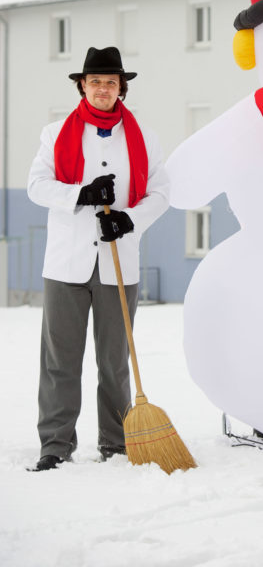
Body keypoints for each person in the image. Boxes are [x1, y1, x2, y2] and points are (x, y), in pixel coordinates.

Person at [27, 46, 169, 471]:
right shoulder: (55, 134)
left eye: (111, 82)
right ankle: (55, 443)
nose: (103, 89)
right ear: (82, 85)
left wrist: (129, 219)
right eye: (95, 82)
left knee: (114, 362)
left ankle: (117, 441)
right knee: (60, 361)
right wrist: (81, 195)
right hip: (66, 265)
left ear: (120, 88)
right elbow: (36, 186)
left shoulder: (144, 137)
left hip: (118, 263)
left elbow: (161, 193)